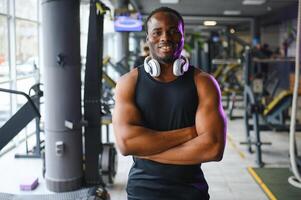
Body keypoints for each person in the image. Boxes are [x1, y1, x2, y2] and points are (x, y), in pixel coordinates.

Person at [112, 7, 226, 200]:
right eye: (157, 32)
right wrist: (190, 133)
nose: (165, 37)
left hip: (191, 192)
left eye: (173, 31)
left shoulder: (203, 83)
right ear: (147, 38)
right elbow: (126, 143)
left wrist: (146, 151)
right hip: (142, 191)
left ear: (183, 36)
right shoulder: (128, 83)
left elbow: (213, 148)